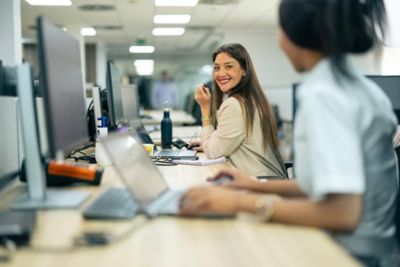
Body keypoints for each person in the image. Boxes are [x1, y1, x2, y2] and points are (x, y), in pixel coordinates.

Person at [180, 0, 398, 266]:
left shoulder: (323, 96)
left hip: (347, 253)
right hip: (375, 249)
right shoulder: (361, 89)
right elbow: (324, 187)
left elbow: (342, 213)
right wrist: (250, 185)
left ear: (293, 34)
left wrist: (240, 202)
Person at [191, 43, 287, 177]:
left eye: (229, 66)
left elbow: (213, 152)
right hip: (265, 178)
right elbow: (225, 143)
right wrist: (209, 142)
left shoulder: (234, 104)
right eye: (217, 68)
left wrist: (205, 108)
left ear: (244, 70)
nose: (221, 73)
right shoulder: (252, 99)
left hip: (258, 183)